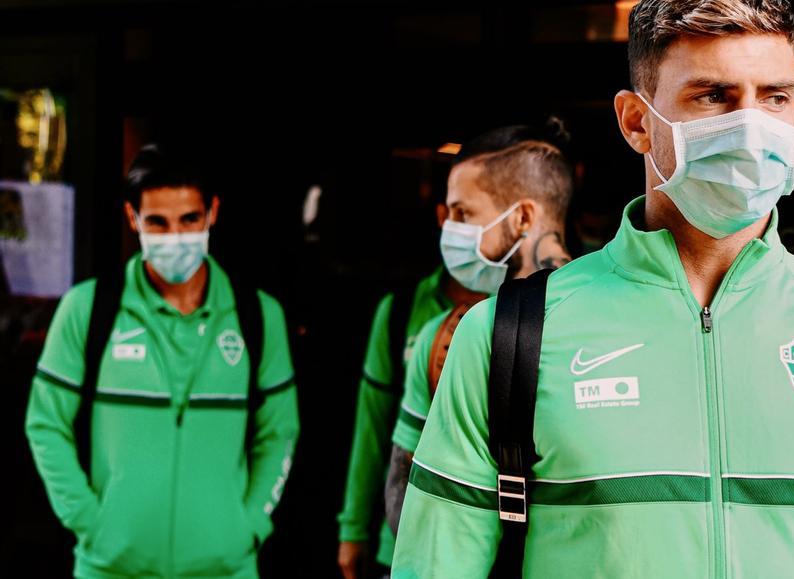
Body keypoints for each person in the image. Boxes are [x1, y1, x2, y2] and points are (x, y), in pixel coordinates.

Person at [392, 0, 794, 577]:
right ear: (636, 122)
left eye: (775, 96)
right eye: (713, 96)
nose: (751, 125)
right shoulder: (507, 339)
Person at [25, 143, 299, 578]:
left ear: (213, 212)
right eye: (158, 222)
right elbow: (45, 423)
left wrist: (249, 525)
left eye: (189, 219)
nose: (175, 237)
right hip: (109, 567)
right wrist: (91, 523)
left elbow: (279, 432)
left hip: (226, 568)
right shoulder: (86, 309)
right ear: (132, 219)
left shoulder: (259, 316)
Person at [383, 119, 574, 533]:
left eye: (462, 213)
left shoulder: (618, 325)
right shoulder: (445, 338)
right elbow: (402, 491)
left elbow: (404, 502)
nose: (449, 229)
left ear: (522, 216)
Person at [337, 263, 484, 578]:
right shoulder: (405, 313)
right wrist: (354, 526)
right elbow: (372, 426)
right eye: (456, 212)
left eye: (469, 212)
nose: (465, 226)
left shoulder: (524, 311)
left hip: (480, 540)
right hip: (404, 538)